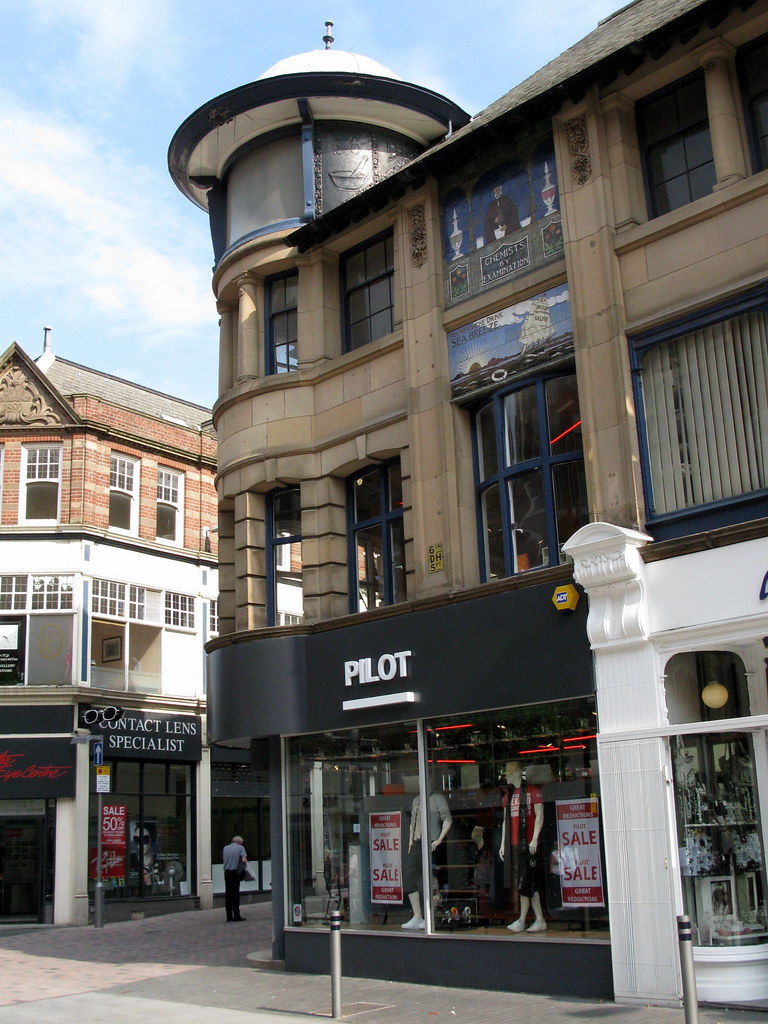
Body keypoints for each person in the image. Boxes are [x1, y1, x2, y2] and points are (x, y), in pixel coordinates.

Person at [499, 760, 546, 932]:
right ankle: (532, 919)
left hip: (528, 844)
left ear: (516, 774)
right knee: (524, 883)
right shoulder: (509, 795)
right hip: (514, 844)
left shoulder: (533, 791)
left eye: (508, 774)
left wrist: (534, 839)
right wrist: (503, 843)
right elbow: (506, 821)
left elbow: (540, 816)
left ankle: (527, 919)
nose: (507, 778)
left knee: (527, 882)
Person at [401, 789, 452, 930]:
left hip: (431, 841)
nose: (421, 783)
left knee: (431, 879)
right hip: (416, 843)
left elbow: (447, 819)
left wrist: (439, 839)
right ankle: (417, 916)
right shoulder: (416, 800)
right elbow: (412, 823)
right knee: (409, 877)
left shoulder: (437, 798)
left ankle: (432, 916)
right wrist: (410, 841)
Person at [223, 834, 248, 922]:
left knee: (228, 895)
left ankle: (229, 916)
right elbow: (243, 860)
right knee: (235, 895)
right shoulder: (240, 848)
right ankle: (236, 915)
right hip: (235, 873)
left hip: (227, 872)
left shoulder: (225, 848)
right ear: (239, 842)